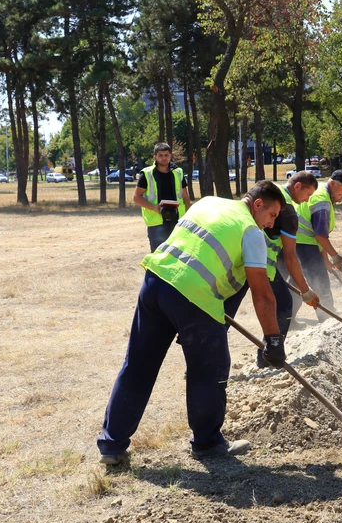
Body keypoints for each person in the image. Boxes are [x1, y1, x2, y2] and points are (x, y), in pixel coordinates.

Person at [96, 181, 286, 465]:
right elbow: (263, 295)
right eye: (271, 215)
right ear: (258, 204)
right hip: (194, 296)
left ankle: (111, 445)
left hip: (156, 281)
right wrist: (273, 340)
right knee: (209, 370)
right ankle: (207, 443)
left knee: (138, 365)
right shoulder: (251, 231)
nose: (271, 224)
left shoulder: (208, 202)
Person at [258, 171, 321, 367]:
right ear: (298, 186)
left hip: (246, 258)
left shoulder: (272, 193)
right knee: (284, 305)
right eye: (308, 194)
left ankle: (204, 353)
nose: (307, 200)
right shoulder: (288, 211)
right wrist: (305, 291)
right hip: (261, 262)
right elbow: (290, 256)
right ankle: (268, 357)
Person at [294, 170, 342, 320]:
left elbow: (319, 234)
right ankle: (327, 316)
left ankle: (288, 316)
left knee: (296, 280)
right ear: (332, 183)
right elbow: (320, 235)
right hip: (304, 242)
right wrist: (335, 257)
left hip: (301, 240)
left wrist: (325, 259)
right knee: (319, 280)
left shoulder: (321, 191)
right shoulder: (322, 202)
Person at [133, 143, 192, 252]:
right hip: (157, 222)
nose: (164, 158)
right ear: (155, 157)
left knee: (178, 254)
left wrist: (189, 217)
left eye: (166, 155)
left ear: (170, 156)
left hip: (177, 221)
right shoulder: (147, 174)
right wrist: (155, 207)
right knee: (158, 254)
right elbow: (136, 197)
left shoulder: (178, 172)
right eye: (160, 155)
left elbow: (185, 196)